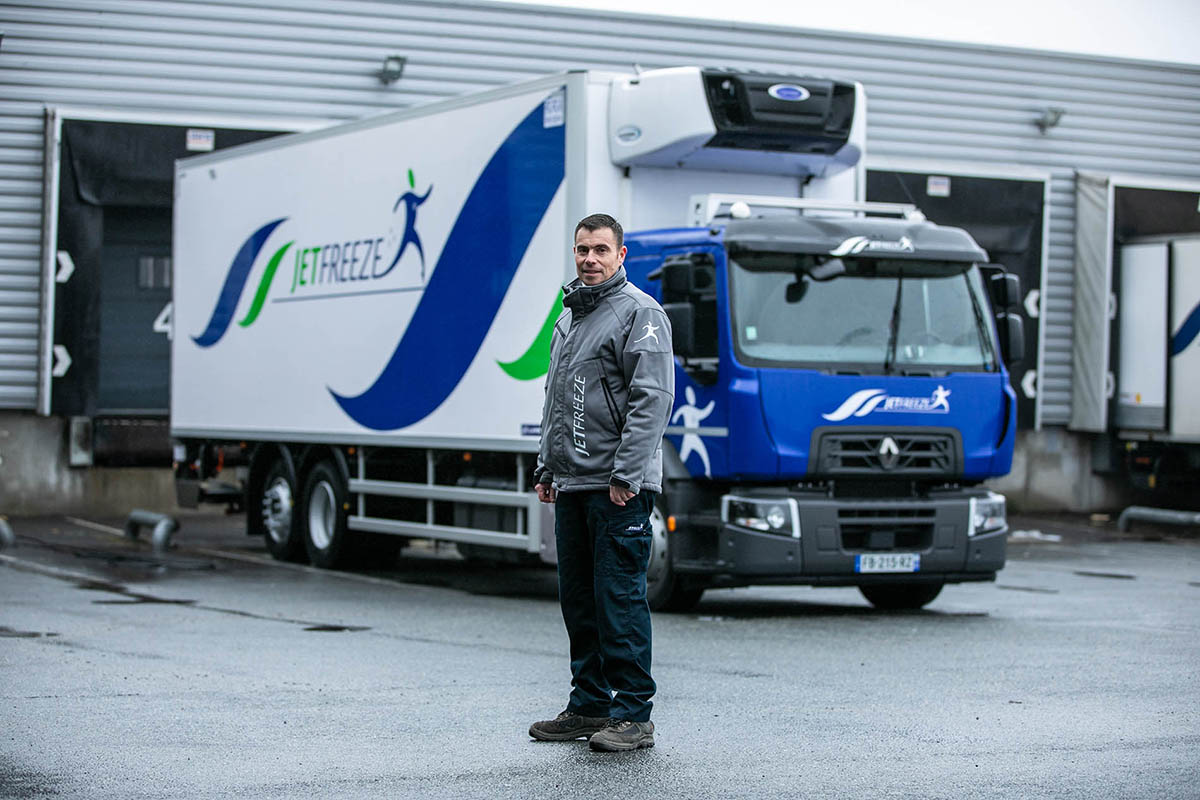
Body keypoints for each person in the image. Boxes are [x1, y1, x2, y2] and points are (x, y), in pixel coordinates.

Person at [529, 213, 674, 752]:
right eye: (581, 250)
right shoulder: (571, 317)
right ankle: (589, 705)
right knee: (580, 602)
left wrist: (627, 475)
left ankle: (634, 714)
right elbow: (557, 400)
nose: (589, 259)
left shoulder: (641, 313)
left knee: (619, 601)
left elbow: (652, 400)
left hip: (617, 488)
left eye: (600, 250)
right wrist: (548, 466)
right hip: (573, 483)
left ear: (621, 255)